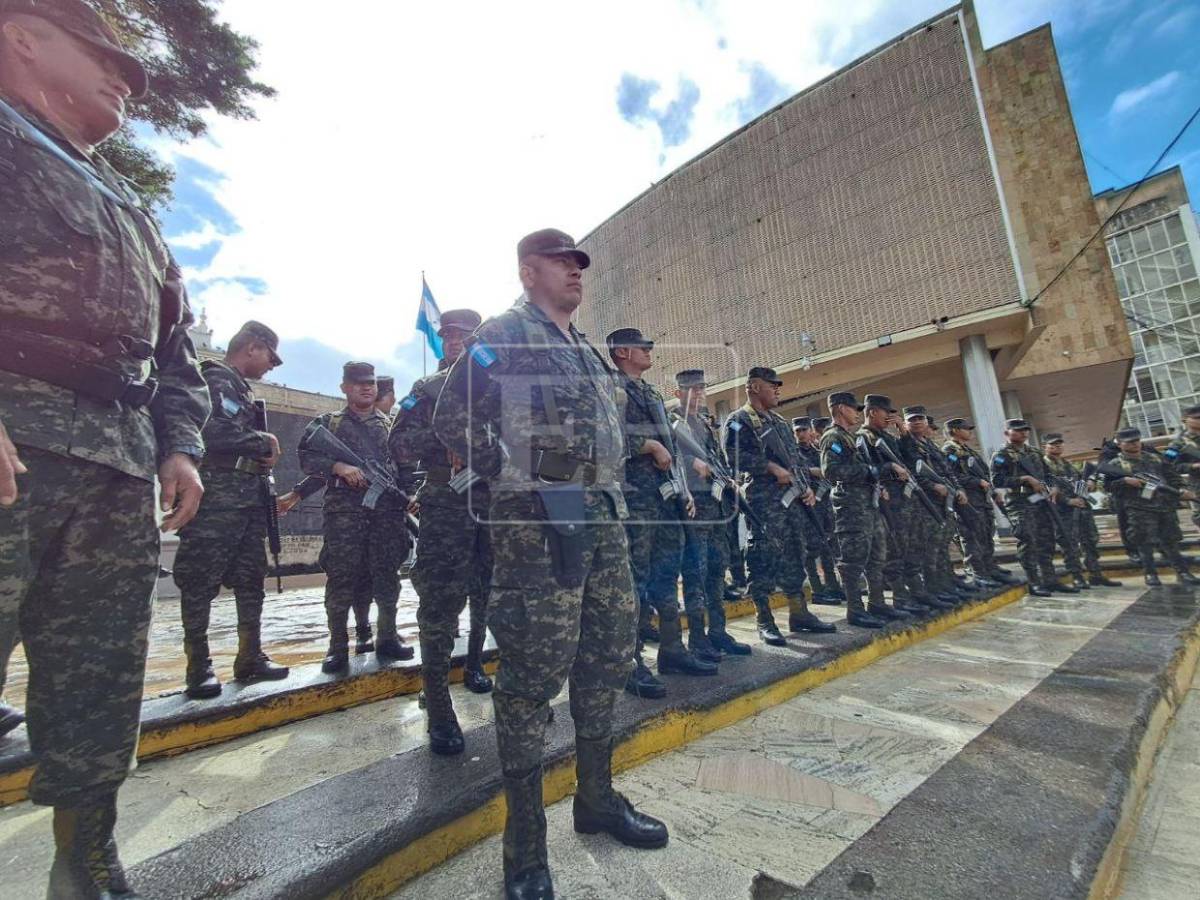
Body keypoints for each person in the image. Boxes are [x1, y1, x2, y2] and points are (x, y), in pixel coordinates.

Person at [0, 2, 210, 892]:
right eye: (102, 57)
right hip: (16, 441)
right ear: (20, 32)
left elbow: (174, 351)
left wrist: (180, 445)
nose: (123, 80)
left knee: (99, 675)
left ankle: (85, 860)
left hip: (119, 464)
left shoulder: (128, 203)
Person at [433, 229, 667, 899]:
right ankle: (525, 851)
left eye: (580, 266)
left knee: (604, 664)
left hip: (605, 531)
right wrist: (527, 476)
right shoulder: (504, 333)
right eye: (563, 264)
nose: (576, 274)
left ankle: (597, 799)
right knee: (530, 685)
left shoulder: (588, 352)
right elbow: (452, 421)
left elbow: (605, 442)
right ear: (529, 269)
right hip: (537, 537)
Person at [389, 309, 494, 756]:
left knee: (498, 596)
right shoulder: (427, 391)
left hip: (497, 506)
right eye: (448, 336)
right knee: (440, 604)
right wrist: (447, 443)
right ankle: (437, 701)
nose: (455, 342)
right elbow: (397, 444)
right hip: (448, 505)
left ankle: (495, 678)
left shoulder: (498, 384)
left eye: (464, 336)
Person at [173, 321, 289, 698]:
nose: (271, 366)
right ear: (252, 348)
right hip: (217, 502)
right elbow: (210, 432)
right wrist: (264, 440)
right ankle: (198, 667)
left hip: (247, 502)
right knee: (199, 582)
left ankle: (250, 657)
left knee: (251, 579)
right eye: (270, 357)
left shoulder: (239, 387)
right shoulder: (216, 380)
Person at [609, 328, 715, 699]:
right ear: (622, 352)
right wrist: (648, 444)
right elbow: (606, 438)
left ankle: (672, 650)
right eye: (643, 347)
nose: (650, 351)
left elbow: (672, 447)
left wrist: (683, 490)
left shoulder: (650, 392)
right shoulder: (611, 388)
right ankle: (632, 664)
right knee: (635, 583)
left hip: (666, 499)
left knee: (667, 577)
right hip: (637, 501)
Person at [299, 362, 414, 674]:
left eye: (371, 383)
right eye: (358, 382)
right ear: (344, 387)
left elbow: (406, 467)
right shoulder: (329, 424)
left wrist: (412, 494)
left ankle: (387, 638)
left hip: (386, 515)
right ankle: (337, 647)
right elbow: (306, 456)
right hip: (345, 514)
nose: (366, 388)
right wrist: (338, 467)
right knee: (341, 579)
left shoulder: (392, 426)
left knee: (388, 577)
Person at [725, 367, 834, 644]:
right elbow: (734, 457)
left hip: (793, 500)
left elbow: (795, 459)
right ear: (753, 387)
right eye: (771, 385)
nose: (777, 390)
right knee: (764, 556)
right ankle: (765, 619)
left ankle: (800, 613)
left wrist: (805, 487)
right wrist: (770, 467)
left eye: (777, 385)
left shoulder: (780, 422)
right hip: (764, 499)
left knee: (796, 553)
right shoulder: (739, 421)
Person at [672, 370, 752, 658]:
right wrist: (691, 461)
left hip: (716, 507)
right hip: (696, 510)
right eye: (692, 389)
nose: (699, 394)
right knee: (696, 573)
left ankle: (717, 631)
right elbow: (669, 457)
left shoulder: (704, 424)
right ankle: (697, 638)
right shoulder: (673, 423)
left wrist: (728, 479)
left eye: (702, 388)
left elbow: (716, 457)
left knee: (718, 569)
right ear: (679, 393)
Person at [822, 393, 911, 628]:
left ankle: (877, 602)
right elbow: (831, 471)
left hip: (867, 506)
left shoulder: (848, 438)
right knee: (853, 560)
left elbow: (862, 469)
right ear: (841, 409)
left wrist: (875, 483)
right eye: (853, 409)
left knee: (876, 556)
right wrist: (873, 473)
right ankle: (855, 610)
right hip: (851, 509)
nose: (857, 413)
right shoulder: (833, 437)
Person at [1102, 428, 1199, 586]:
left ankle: (1183, 572)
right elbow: (1107, 486)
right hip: (1139, 507)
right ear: (1119, 444)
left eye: (1137, 441)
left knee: (1170, 540)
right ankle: (1150, 573)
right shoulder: (1116, 464)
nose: (1135, 444)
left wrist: (1181, 489)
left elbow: (1172, 475)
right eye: (1130, 442)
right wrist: (1125, 481)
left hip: (1163, 505)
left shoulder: (1155, 458)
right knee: (1144, 541)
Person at [990, 419, 1060, 597]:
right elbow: (997, 481)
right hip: (1020, 502)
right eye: (1018, 430)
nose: (1023, 433)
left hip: (1040, 501)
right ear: (1007, 433)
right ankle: (1034, 582)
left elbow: (1048, 474)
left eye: (1025, 430)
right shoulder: (1001, 454)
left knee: (1046, 539)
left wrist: (1053, 487)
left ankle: (1050, 579)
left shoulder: (1035, 452)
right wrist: (1025, 479)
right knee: (1028, 541)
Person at [941, 418, 1015, 585]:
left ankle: (989, 568)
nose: (969, 431)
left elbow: (984, 473)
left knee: (986, 534)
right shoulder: (949, 451)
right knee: (972, 537)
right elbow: (951, 476)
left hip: (981, 500)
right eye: (965, 428)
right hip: (967, 501)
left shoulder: (968, 450)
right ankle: (978, 572)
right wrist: (977, 482)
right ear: (955, 430)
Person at [1042, 434, 1120, 588]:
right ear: (1044, 446)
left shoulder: (1068, 465)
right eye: (1052, 445)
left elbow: (1078, 483)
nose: (1057, 447)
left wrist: (1089, 484)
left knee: (1090, 541)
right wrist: (1068, 501)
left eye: (1059, 444)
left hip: (1082, 508)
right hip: (1062, 512)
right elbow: (1045, 489)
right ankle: (1077, 576)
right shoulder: (1041, 466)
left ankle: (1095, 574)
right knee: (1070, 545)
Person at [794, 416, 841, 603]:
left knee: (829, 546)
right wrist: (813, 471)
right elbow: (794, 469)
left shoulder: (818, 450)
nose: (801, 434)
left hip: (824, 505)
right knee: (811, 548)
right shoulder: (794, 453)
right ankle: (817, 590)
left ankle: (833, 586)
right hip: (807, 504)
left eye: (804, 430)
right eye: (797, 431)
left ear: (811, 431)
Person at [1164, 404, 1200, 532]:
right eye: (1196, 418)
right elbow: (1169, 465)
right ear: (1185, 419)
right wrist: (1194, 466)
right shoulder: (1179, 443)